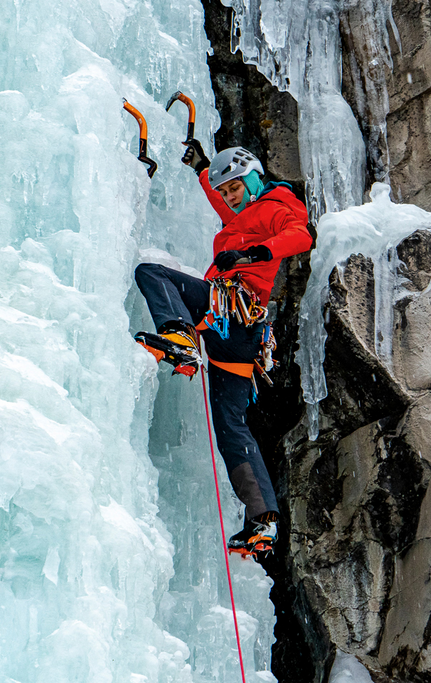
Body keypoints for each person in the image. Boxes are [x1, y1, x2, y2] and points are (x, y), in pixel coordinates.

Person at [133, 140, 312, 562]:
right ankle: (262, 520)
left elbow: (299, 234)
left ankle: (178, 337)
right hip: (242, 337)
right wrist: (201, 170)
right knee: (231, 426)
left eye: (235, 187)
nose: (230, 196)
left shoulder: (277, 202)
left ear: (253, 177)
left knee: (154, 274)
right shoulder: (246, 214)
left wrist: (253, 253)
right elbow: (232, 215)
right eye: (226, 191)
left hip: (228, 310)